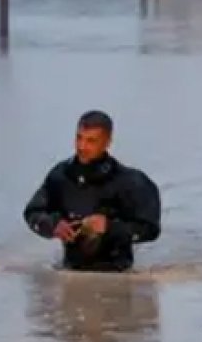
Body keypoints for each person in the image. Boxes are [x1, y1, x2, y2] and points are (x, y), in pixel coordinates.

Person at [23, 110, 161, 272]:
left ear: (107, 142)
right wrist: (53, 225)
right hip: (70, 271)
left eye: (91, 141)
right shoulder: (61, 176)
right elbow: (32, 212)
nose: (82, 147)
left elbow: (151, 230)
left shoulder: (130, 182)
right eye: (79, 138)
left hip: (119, 275)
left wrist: (109, 227)